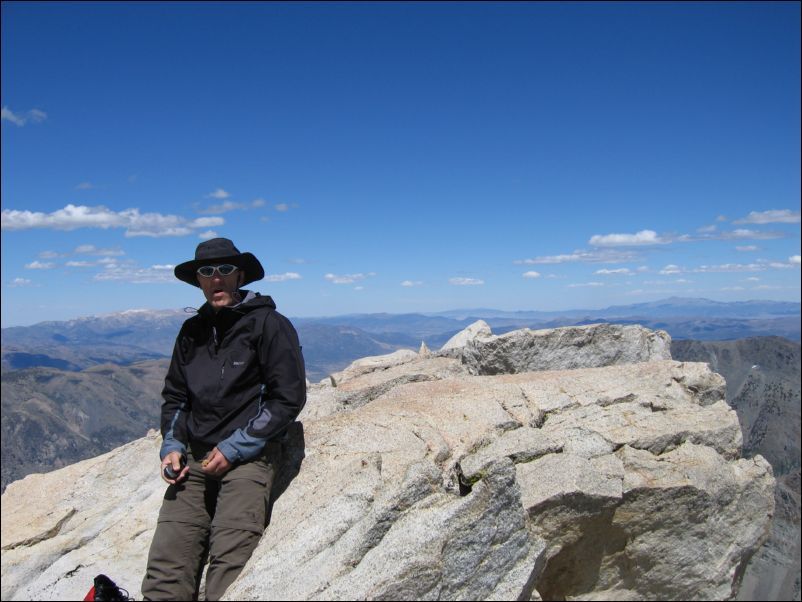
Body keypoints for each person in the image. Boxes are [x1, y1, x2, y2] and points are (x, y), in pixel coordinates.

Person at [141, 238, 306, 601]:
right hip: (195, 458)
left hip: (249, 458)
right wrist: (171, 446)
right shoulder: (192, 332)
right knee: (165, 570)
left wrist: (235, 448)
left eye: (225, 270)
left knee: (230, 568)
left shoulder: (269, 325)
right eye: (207, 271)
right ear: (198, 280)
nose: (216, 278)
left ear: (240, 276)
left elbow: (287, 398)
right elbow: (177, 396)